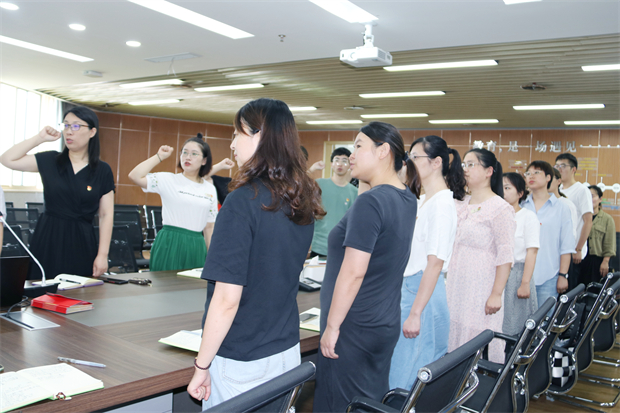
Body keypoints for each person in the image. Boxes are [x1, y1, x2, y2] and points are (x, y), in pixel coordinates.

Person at [187, 98, 324, 408]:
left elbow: (227, 299)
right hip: (285, 351)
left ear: (260, 136)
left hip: (242, 359)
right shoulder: (299, 199)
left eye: (237, 134)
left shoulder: (242, 201)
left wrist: (201, 366)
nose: (232, 144)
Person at [313, 121, 419, 412]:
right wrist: (364, 178)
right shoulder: (406, 197)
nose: (352, 155)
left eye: (359, 146)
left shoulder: (372, 203)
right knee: (369, 402)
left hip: (352, 325)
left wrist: (332, 326)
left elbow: (354, 271)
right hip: (382, 321)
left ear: (383, 151)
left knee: (341, 404)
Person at [0, 106, 114, 279]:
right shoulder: (51, 160)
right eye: (66, 125)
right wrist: (39, 138)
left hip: (82, 240)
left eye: (76, 126)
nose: (69, 131)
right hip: (48, 237)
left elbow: (106, 214)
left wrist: (103, 255)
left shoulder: (102, 170)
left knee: (79, 291)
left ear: (92, 132)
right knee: (42, 288)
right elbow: (7, 159)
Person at [389, 135, 465, 390]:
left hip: (422, 291)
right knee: (410, 362)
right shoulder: (424, 200)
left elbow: (434, 263)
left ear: (436, 163)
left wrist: (415, 313)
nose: (409, 162)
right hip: (415, 288)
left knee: (409, 368)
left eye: (415, 157)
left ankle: (400, 405)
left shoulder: (442, 205)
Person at [446, 148, 515, 363]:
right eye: (464, 164)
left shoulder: (500, 208)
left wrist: (496, 293)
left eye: (471, 164)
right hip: (457, 283)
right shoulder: (460, 203)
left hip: (481, 288)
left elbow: (505, 255)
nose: (465, 169)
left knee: (476, 337)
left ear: (489, 171)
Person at [129, 134, 218, 272]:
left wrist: (212, 258)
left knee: (193, 285)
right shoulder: (168, 179)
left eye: (194, 154)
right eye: (184, 152)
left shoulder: (209, 189)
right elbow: (134, 176)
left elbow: (209, 227)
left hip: (196, 245)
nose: (188, 157)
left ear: (204, 160)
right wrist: (159, 157)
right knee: (163, 284)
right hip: (169, 242)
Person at [521, 161, 574, 308]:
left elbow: (566, 245)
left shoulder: (562, 208)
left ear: (548, 177)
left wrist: (563, 275)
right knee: (518, 320)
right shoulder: (521, 205)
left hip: (549, 276)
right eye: (528, 173)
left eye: (536, 173)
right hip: (520, 275)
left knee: (544, 320)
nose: (531, 176)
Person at [501, 172, 540, 336]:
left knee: (514, 325)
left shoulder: (528, 216)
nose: (502, 191)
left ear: (520, 193)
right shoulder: (496, 215)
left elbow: (532, 251)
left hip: (516, 275)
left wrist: (524, 283)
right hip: (496, 274)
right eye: (500, 187)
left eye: (507, 188)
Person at [310, 148, 358, 257]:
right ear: (331, 164)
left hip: (341, 248)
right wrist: (312, 169)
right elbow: (298, 185)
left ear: (349, 165)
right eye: (337, 160)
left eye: (344, 161)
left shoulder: (354, 192)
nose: (340, 164)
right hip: (318, 246)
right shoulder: (319, 184)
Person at [555, 153, 593, 288]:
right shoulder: (558, 190)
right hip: (557, 251)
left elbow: (588, 221)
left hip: (573, 251)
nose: (559, 169)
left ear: (573, 169)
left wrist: (579, 249)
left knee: (568, 289)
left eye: (563, 166)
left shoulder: (581, 190)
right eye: (556, 166)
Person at [580, 185, 616, 284]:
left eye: (592, 196)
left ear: (600, 199)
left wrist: (605, 261)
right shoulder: (580, 217)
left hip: (596, 261)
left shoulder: (607, 219)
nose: (589, 199)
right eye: (587, 196)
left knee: (594, 289)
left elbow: (609, 244)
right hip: (579, 259)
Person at [550, 168, 579, 241]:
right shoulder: (537, 203)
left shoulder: (566, 204)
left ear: (559, 181)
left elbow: (571, 234)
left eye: (550, 178)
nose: (547, 181)